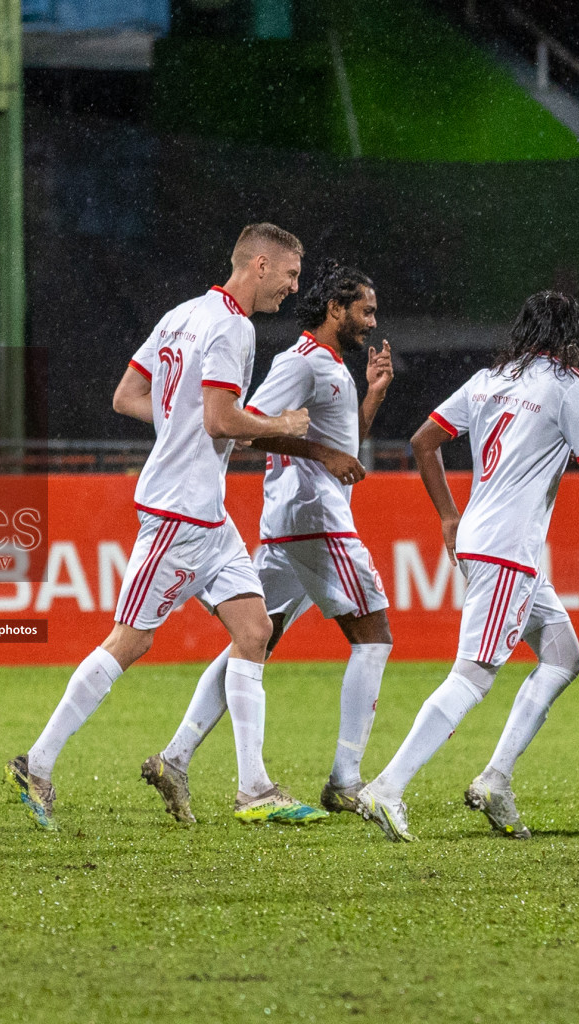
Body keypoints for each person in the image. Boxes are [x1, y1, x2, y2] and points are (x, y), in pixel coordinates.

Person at [5, 223, 323, 832]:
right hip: (178, 512)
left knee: (254, 631)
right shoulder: (233, 326)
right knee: (131, 640)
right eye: (289, 275)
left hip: (209, 512)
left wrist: (182, 422)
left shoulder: (181, 314)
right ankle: (36, 764)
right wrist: (280, 424)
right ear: (259, 265)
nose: (292, 288)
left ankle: (252, 787)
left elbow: (128, 395)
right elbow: (222, 419)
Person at [143, 259, 394, 823]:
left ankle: (175, 757)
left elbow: (342, 447)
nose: (371, 323)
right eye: (365, 311)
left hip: (294, 524)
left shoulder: (331, 366)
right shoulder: (301, 360)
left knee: (256, 639)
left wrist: (373, 396)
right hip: (315, 520)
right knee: (374, 636)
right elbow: (252, 425)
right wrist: (322, 455)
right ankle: (346, 779)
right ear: (336, 309)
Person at [359, 291, 579, 842]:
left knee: (563, 655)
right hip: (508, 549)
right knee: (473, 675)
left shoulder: (487, 380)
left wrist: (449, 517)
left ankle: (496, 778)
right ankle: (387, 786)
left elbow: (424, 441)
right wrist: (573, 441)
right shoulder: (572, 385)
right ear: (570, 336)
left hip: (482, 538)